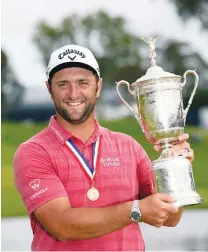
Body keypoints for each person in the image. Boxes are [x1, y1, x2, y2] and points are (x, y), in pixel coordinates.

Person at [13, 44, 194, 251]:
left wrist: (174, 167)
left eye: (83, 83)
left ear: (98, 86)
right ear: (49, 89)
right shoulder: (33, 152)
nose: (73, 94)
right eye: (63, 84)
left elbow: (169, 217)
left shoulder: (128, 147)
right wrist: (136, 210)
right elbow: (61, 225)